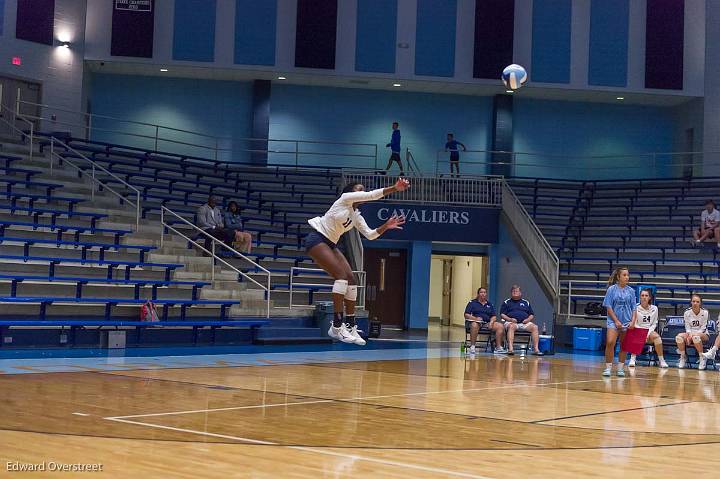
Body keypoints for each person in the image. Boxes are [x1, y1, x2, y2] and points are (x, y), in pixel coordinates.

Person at [306, 178, 410, 345]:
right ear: (351, 191)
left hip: (331, 243)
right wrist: (394, 188)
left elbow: (370, 235)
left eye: (362, 190)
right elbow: (372, 195)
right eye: (358, 190)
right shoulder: (344, 199)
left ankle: (350, 325)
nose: (361, 192)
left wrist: (385, 226)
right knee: (340, 277)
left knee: (352, 280)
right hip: (317, 238)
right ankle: (337, 326)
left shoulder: (356, 216)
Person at [602, 267, 637, 377]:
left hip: (626, 322)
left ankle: (620, 368)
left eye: (628, 275)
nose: (627, 277)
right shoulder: (611, 289)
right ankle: (608, 368)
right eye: (625, 275)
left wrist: (633, 321)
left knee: (624, 345)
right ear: (618, 277)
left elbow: (634, 308)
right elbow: (608, 306)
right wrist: (616, 321)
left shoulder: (631, 291)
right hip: (613, 321)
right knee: (610, 342)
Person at [628, 289, 668, 368]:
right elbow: (634, 323)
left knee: (657, 338)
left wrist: (648, 332)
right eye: (642, 295)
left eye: (646, 296)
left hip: (649, 331)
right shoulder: (635, 307)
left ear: (649, 297)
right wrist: (642, 332)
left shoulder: (655, 308)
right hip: (638, 330)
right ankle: (632, 358)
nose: (644, 297)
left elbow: (654, 323)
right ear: (639, 297)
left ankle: (661, 360)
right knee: (635, 334)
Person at [500, 285, 543, 356]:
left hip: (524, 323)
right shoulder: (506, 302)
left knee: (535, 327)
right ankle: (510, 349)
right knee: (511, 326)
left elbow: (531, 314)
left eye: (516, 291)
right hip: (511, 322)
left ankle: (536, 349)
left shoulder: (526, 302)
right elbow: (502, 314)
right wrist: (510, 319)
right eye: (513, 291)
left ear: (520, 293)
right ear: (511, 293)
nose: (515, 292)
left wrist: (527, 319)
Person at [464, 287, 506, 355]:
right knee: (474, 325)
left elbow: (494, 316)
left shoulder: (489, 304)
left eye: (484, 292)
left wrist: (491, 322)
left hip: (487, 322)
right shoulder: (472, 303)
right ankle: (472, 347)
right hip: (476, 322)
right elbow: (466, 314)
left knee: (500, 326)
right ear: (478, 294)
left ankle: (498, 347)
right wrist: (475, 318)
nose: (483, 294)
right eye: (481, 292)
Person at [676, 294, 709, 369]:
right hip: (690, 333)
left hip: (703, 334)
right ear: (691, 302)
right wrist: (690, 334)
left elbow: (704, 328)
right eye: (693, 301)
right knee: (679, 337)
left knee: (696, 337)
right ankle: (683, 357)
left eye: (697, 302)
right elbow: (687, 327)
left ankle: (702, 358)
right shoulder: (687, 312)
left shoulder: (705, 312)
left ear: (700, 303)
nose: (695, 303)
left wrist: (693, 335)